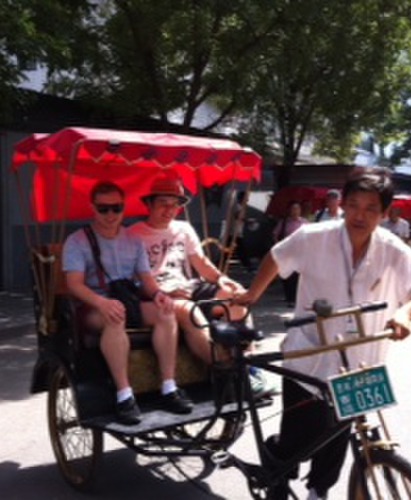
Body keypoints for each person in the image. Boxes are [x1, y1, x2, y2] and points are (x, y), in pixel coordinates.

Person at [235, 169, 411, 500]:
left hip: (359, 362)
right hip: (308, 359)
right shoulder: (314, 236)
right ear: (342, 205)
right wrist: (252, 296)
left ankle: (319, 490)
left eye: (371, 208)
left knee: (342, 433)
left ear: (385, 213)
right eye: (353, 205)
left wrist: (404, 313)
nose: (360, 215)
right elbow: (277, 256)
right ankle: (277, 471)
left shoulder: (393, 249)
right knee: (297, 437)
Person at [127, 175, 277, 398]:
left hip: (188, 286)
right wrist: (163, 292)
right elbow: (132, 279)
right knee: (190, 311)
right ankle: (227, 369)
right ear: (149, 204)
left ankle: (249, 364)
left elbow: (200, 262)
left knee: (236, 299)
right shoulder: (134, 234)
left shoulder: (183, 229)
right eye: (163, 204)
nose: (169, 210)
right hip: (157, 294)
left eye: (174, 204)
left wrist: (221, 279)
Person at [62, 181, 193, 426]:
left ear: (124, 208)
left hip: (128, 301)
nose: (111, 214)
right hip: (92, 307)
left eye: (117, 208)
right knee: (115, 315)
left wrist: (158, 296)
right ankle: (124, 395)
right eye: (104, 209)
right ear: (93, 208)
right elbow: (74, 284)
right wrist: (102, 303)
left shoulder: (132, 240)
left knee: (166, 313)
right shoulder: (77, 241)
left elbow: (146, 280)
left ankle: (169, 386)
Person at [272, 201, 308, 307]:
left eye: (297, 209)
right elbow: (275, 235)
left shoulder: (305, 223)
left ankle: (298, 298)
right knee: (288, 275)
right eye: (293, 209)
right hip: (287, 253)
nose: (295, 211)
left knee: (299, 276)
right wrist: (279, 246)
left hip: (301, 253)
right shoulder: (284, 223)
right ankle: (290, 298)